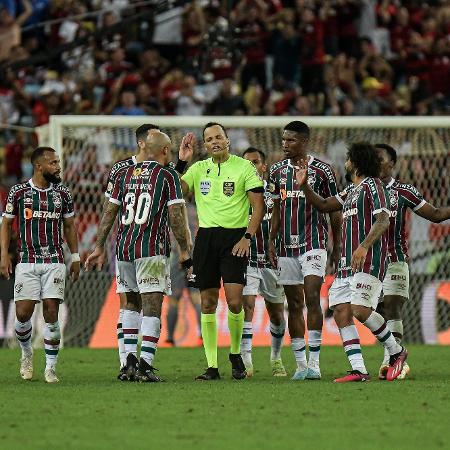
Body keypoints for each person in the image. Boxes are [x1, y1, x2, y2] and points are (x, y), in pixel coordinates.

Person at [296, 142, 408, 382]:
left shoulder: (373, 185)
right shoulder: (350, 190)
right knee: (341, 312)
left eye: (348, 159)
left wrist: (364, 246)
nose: (345, 162)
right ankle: (359, 369)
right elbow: (324, 205)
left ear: (355, 162)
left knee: (360, 309)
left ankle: (397, 352)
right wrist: (304, 186)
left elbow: (383, 220)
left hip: (368, 260)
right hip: (346, 264)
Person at [86, 130, 192, 383]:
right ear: (165, 151)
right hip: (151, 250)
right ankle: (145, 365)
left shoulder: (123, 172)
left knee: (130, 304)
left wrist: (99, 245)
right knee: (152, 307)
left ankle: (128, 363)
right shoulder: (167, 175)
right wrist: (185, 249)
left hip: (123, 249)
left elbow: (109, 211)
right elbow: (176, 216)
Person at [180, 122, 264, 381]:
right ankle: (212, 366)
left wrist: (247, 238)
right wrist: (182, 162)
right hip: (205, 238)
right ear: (205, 145)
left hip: (234, 239)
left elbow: (258, 207)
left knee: (235, 301)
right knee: (207, 302)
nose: (214, 141)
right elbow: (174, 192)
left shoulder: (244, 167)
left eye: (218, 137)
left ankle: (235, 353)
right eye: (209, 139)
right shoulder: (197, 169)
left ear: (227, 140)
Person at [268, 121, 342, 381]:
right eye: (283, 139)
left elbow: (334, 208)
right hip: (286, 246)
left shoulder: (323, 171)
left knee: (312, 296)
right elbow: (276, 209)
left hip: (315, 243)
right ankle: (300, 365)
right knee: (294, 303)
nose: (285, 144)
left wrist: (338, 245)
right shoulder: (276, 171)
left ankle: (315, 363)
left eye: (290, 140)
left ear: (304, 142)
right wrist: (270, 240)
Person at [0, 147, 80, 383]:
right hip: (27, 260)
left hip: (55, 260)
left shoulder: (63, 193)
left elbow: (69, 226)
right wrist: (4, 255)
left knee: (51, 313)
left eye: (58, 162)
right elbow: (6, 225)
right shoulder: (18, 192)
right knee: (23, 314)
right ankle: (26, 353)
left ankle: (50, 367)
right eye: (53, 163)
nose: (58, 166)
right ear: (39, 166)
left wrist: (75, 256)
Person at [376, 143, 450, 380]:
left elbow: (436, 215)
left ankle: (392, 360)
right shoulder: (361, 189)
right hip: (367, 262)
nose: (377, 163)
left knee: (392, 305)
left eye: (381, 159)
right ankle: (394, 353)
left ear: (392, 164)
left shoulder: (403, 190)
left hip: (395, 258)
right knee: (372, 311)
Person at [240, 147, 287, 378]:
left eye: (255, 162)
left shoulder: (276, 193)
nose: (251, 166)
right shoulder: (237, 192)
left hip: (273, 261)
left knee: (277, 314)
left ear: (264, 166)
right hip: (247, 258)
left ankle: (276, 357)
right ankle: (246, 361)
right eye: (246, 162)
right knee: (246, 307)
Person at [166, 201, 202, 346]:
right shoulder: (198, 209)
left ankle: (170, 338)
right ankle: (203, 336)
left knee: (174, 298)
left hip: (177, 256)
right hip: (195, 256)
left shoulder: (173, 208)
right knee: (197, 297)